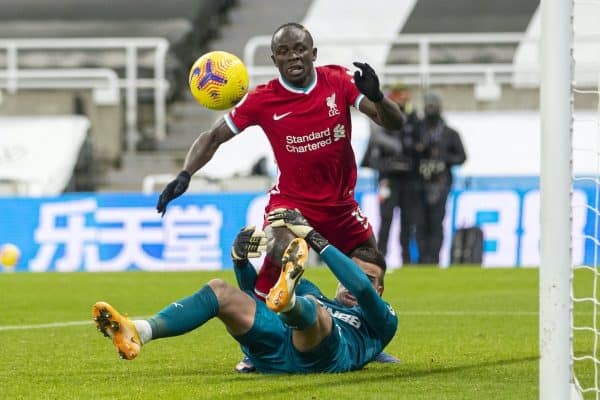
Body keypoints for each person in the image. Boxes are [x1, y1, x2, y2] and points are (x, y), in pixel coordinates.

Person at [155, 22, 404, 302]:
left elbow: (394, 122)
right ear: (274, 60)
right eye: (284, 51)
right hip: (292, 203)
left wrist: (378, 97)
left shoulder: (338, 80)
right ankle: (262, 316)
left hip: (341, 206)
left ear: (314, 53)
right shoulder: (262, 100)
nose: (294, 56)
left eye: (300, 49)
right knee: (280, 246)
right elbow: (213, 137)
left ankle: (353, 332)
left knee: (371, 272)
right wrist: (185, 174)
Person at [92, 209, 398, 373]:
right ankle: (141, 331)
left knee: (312, 310)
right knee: (219, 290)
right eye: (350, 274)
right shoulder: (316, 291)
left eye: (369, 279)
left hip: (323, 358)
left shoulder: (382, 320)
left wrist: (314, 237)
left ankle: (290, 304)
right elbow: (254, 297)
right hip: (274, 352)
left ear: (380, 289)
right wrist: (240, 261)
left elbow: (362, 289)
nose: (354, 285)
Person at [362, 82, 423, 264]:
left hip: (408, 178)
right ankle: (380, 260)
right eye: (399, 94)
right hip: (388, 177)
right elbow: (377, 140)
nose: (403, 98)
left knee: (407, 220)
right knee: (386, 219)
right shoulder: (382, 115)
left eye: (405, 94)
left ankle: (406, 259)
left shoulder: (413, 119)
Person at [415, 92, 466, 264]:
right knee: (420, 223)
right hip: (419, 184)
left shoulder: (449, 133)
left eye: (433, 106)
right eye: (429, 106)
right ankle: (422, 259)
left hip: (441, 184)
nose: (431, 110)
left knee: (436, 223)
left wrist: (444, 160)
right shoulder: (417, 130)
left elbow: (462, 156)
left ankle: (434, 259)